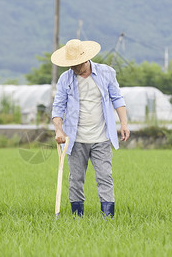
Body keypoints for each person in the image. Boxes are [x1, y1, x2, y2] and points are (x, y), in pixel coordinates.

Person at [51, 39, 130, 218]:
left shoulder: (106, 73)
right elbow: (58, 107)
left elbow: (117, 98)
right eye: (70, 65)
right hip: (75, 139)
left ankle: (108, 218)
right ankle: (77, 217)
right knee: (75, 180)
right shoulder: (65, 79)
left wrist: (123, 123)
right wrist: (58, 130)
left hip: (101, 137)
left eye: (75, 65)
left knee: (105, 177)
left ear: (85, 59)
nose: (73, 68)